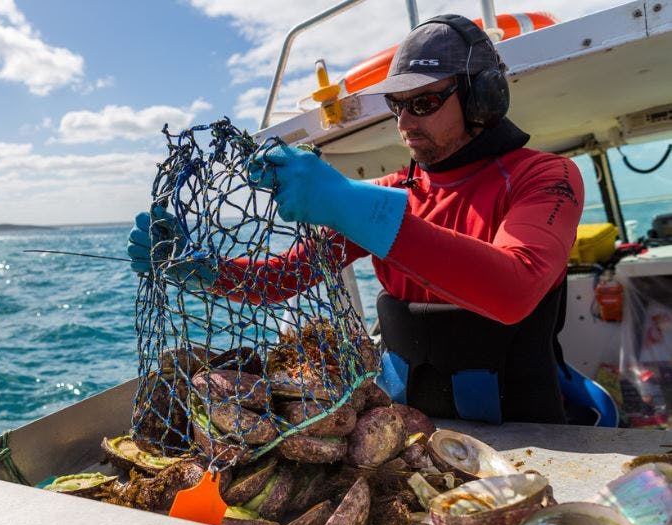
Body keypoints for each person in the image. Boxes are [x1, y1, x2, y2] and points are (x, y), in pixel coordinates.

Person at [129, 15, 616, 426]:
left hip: (528, 431)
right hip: (406, 430)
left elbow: (514, 290)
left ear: (480, 98)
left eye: (423, 103)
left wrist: (350, 206)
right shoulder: (387, 195)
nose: (405, 123)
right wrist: (203, 270)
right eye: (396, 105)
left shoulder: (546, 176)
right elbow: (281, 279)